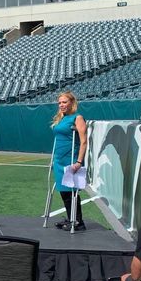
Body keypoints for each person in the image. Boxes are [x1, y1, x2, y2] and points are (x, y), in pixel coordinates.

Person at [51, 90, 88, 231]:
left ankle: (78, 222)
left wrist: (79, 162)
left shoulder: (78, 118)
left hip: (70, 159)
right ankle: (70, 218)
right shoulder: (61, 118)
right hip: (59, 159)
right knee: (63, 191)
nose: (61, 105)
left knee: (71, 191)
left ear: (72, 103)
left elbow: (83, 141)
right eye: (59, 103)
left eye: (64, 102)